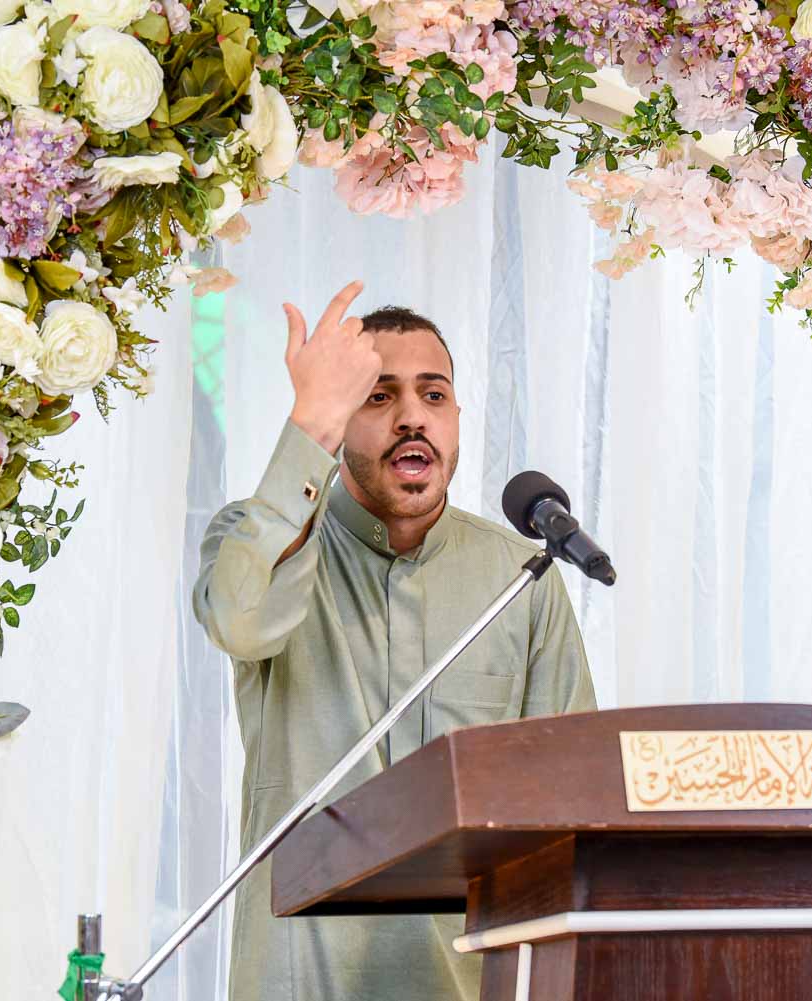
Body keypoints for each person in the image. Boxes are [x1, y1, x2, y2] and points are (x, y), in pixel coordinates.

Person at [194, 280, 597, 1001]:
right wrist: (311, 422)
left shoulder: (521, 576)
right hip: (297, 979)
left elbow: (570, 801)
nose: (412, 416)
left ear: (458, 417)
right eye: (378, 397)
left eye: (433, 395)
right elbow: (240, 621)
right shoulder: (258, 537)